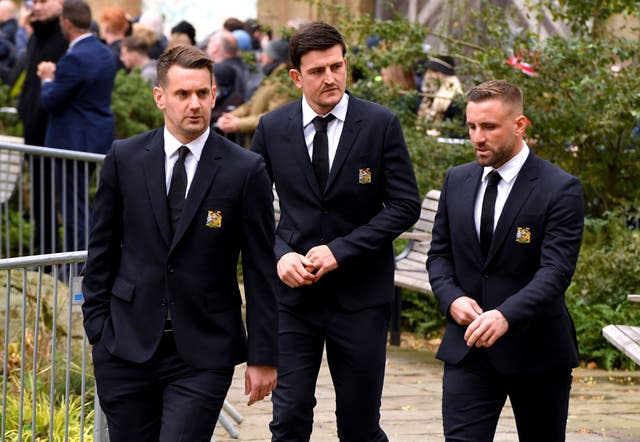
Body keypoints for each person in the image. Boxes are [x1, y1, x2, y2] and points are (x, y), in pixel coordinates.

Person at [81, 43, 279, 441]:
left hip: (203, 350)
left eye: (202, 94)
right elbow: (101, 252)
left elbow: (260, 270)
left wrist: (263, 357)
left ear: (213, 95)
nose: (194, 104)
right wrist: (98, 330)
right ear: (160, 97)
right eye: (183, 94)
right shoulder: (125, 158)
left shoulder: (245, 170)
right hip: (125, 346)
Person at [251, 22, 421, 441]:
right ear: (296, 76)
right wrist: (280, 253)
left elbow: (404, 205)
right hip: (294, 299)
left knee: (359, 423)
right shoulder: (272, 129)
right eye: (317, 70)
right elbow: (248, 214)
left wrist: (340, 250)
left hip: (361, 296)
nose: (330, 78)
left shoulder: (380, 124)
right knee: (288, 419)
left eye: (337, 66)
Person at [426, 80, 584, 442]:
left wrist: (505, 315)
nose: (478, 137)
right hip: (468, 350)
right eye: (471, 126)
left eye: (489, 127)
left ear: (519, 125)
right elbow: (439, 256)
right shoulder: (457, 180)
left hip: (538, 351)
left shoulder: (560, 188)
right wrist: (451, 299)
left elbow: (555, 272)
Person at [37, 0, 116, 252]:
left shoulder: (74, 58)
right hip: (96, 138)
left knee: (74, 208)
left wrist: (48, 79)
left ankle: (79, 266)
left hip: (71, 141)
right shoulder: (105, 52)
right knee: (82, 204)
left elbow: (51, 101)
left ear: (66, 23)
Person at [17, 0, 67, 254]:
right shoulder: (36, 37)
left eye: (42, 1)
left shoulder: (64, 39)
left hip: (54, 138)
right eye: (31, 2)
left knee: (59, 201)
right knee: (40, 201)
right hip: (34, 135)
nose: (35, 7)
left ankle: (56, 255)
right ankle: (44, 252)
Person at [217, 39, 293, 143]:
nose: (261, 57)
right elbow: (251, 104)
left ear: (273, 58)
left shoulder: (285, 83)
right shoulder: (271, 78)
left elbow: (274, 117)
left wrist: (239, 124)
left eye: (265, 54)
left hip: (271, 145)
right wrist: (231, 116)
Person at [417, 55, 463, 125]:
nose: (429, 75)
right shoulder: (430, 95)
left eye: (434, 71)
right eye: (429, 70)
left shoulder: (455, 100)